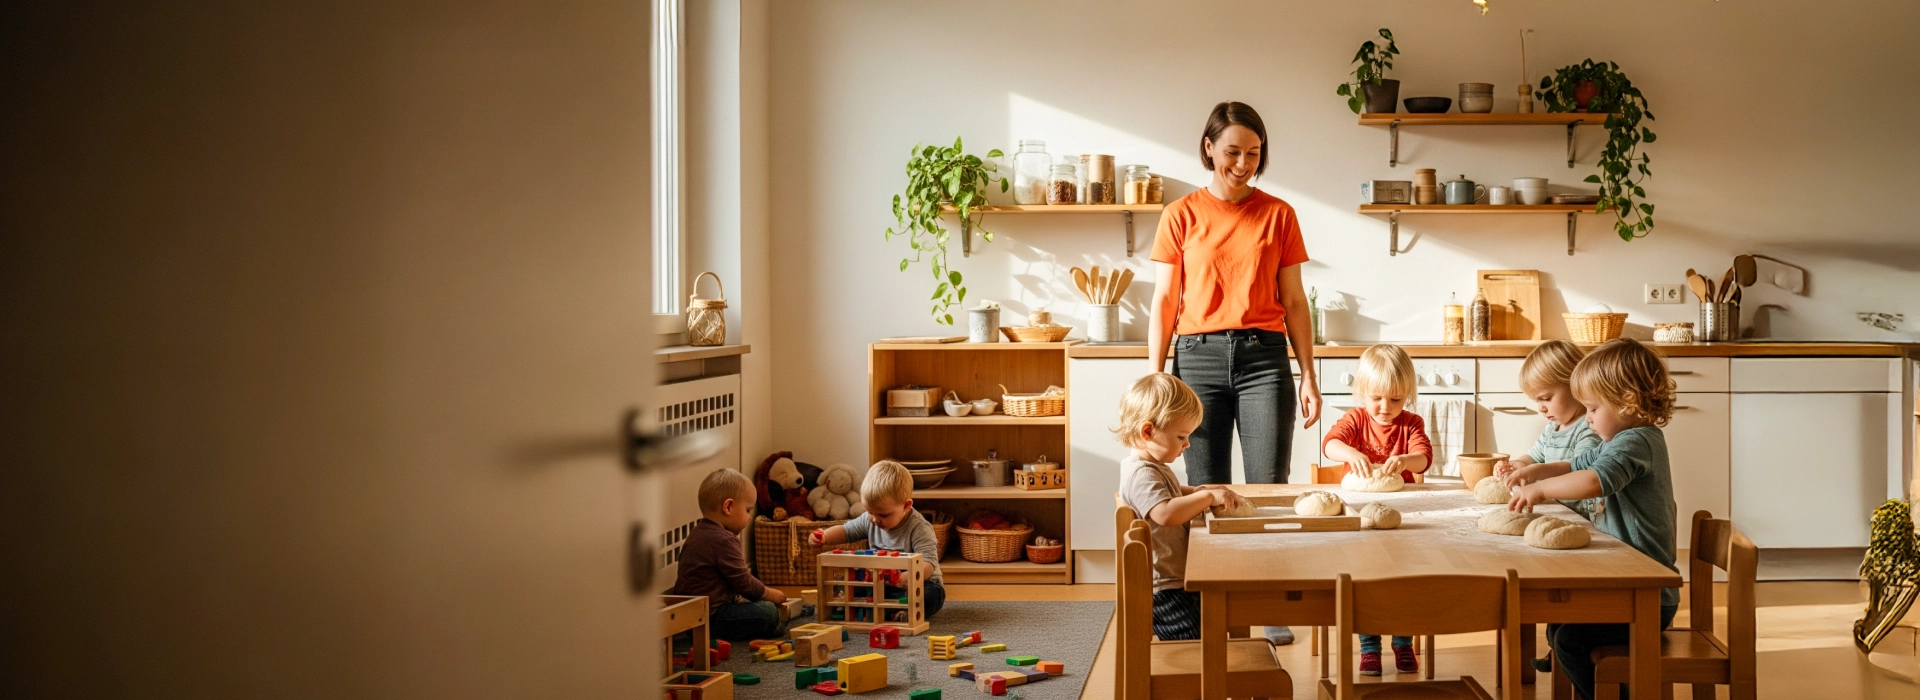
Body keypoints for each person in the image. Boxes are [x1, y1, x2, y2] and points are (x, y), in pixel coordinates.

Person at [1147, 101, 1321, 645]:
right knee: (1203, 488)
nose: (1243, 164)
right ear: (1209, 149)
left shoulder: (1279, 214)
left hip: (1264, 357)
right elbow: (1164, 302)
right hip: (1195, 356)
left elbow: (1294, 301)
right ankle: (1212, 606)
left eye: (1253, 153)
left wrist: (1309, 374)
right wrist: (1155, 380)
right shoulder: (1180, 215)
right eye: (1232, 152)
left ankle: (1267, 601)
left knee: (1268, 484)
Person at [1502, 338, 1680, 700]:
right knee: (1557, 629)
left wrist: (1541, 489)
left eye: (1594, 408)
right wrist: (1535, 470)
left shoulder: (1637, 442)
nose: (1588, 417)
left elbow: (1595, 480)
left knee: (1569, 640)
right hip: (1622, 579)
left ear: (1627, 400)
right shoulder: (1618, 439)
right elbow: (1576, 464)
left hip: (1647, 592)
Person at [1319, 343, 1431, 675]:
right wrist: (1350, 454)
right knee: (1363, 578)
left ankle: (1402, 642)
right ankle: (1369, 647)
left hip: (1402, 516)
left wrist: (1406, 460)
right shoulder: (1355, 419)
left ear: (1407, 395)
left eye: (1395, 399)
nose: (1385, 408)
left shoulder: (1411, 423)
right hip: (1360, 515)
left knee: (1404, 580)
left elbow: (1424, 458)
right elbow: (1330, 444)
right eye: (1377, 398)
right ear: (1362, 392)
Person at [1112, 373, 1245, 641]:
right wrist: (1206, 499)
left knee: (1212, 624)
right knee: (1199, 639)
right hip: (1165, 589)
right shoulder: (1142, 474)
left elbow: (1167, 494)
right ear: (1148, 431)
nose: (1187, 444)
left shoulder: (1150, 467)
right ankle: (1195, 678)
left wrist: (1197, 491)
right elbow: (1164, 512)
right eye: (1181, 436)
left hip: (1171, 581)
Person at [810, 461, 945, 619]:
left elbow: (929, 563)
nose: (874, 519)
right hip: (881, 584)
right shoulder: (870, 519)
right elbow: (846, 531)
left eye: (883, 515)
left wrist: (912, 575)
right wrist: (825, 536)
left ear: (906, 506)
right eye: (869, 512)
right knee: (852, 585)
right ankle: (864, 608)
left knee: (931, 596)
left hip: (919, 583)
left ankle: (904, 612)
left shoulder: (919, 528)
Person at [668, 468, 789, 641]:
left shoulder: (698, 532)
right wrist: (769, 593)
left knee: (756, 607)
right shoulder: (724, 540)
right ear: (728, 507)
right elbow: (745, 584)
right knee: (767, 611)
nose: (749, 517)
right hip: (712, 619)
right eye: (747, 510)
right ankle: (778, 620)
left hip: (692, 619)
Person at [1494, 340, 1604, 519]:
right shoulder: (1552, 428)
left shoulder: (1589, 428)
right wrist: (1516, 466)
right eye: (1536, 401)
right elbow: (1534, 457)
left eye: (1546, 398)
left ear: (1575, 385)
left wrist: (1537, 478)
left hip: (1582, 519)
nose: (1541, 408)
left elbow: (1582, 474)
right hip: (1559, 513)